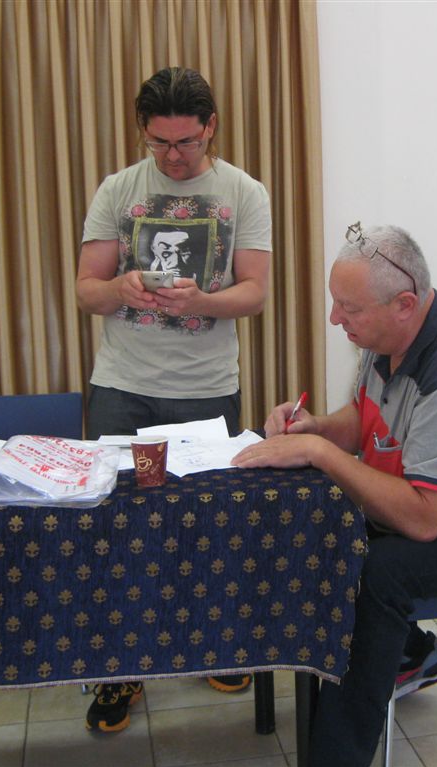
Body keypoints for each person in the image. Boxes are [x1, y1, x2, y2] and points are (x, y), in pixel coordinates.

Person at [232, 223, 437, 767]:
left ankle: (337, 756)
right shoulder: (390, 337)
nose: (335, 319)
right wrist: (316, 429)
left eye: (348, 308)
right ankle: (412, 652)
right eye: (336, 303)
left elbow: (423, 520)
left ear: (405, 304)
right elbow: (365, 418)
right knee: (322, 529)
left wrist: (319, 453)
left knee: (375, 575)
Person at [75, 66, 272, 732]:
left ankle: (213, 644)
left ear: (211, 127)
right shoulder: (118, 189)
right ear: (144, 131)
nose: (173, 156)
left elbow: (255, 292)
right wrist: (120, 290)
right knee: (117, 532)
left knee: (206, 527)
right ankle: (120, 667)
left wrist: (203, 302)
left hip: (206, 390)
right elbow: (86, 289)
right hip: (123, 389)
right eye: (159, 141)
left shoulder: (244, 192)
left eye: (186, 141)